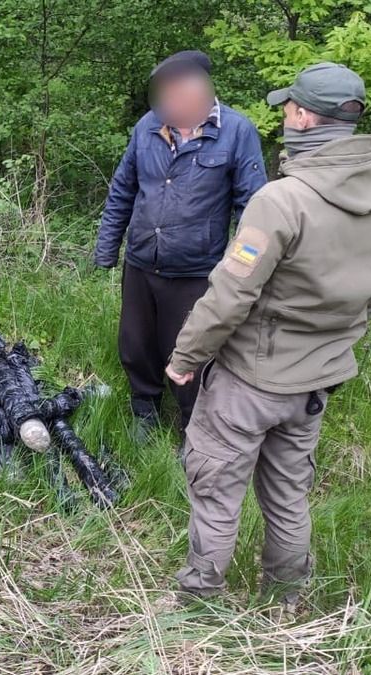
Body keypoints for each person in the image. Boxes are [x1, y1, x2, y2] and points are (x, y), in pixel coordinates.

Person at [165, 63, 371, 610]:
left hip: (250, 379)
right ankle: (286, 601)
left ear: (302, 117)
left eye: (287, 108)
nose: (283, 117)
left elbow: (230, 294)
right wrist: (332, 349)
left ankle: (198, 604)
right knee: (288, 495)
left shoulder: (282, 200)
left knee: (216, 490)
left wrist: (186, 358)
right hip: (316, 383)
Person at [94, 50, 267, 434]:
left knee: (191, 348)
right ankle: (144, 407)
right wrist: (107, 249)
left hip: (196, 270)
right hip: (141, 262)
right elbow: (123, 189)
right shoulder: (148, 127)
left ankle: (192, 423)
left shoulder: (237, 132)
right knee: (136, 343)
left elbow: (255, 213)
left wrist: (240, 274)